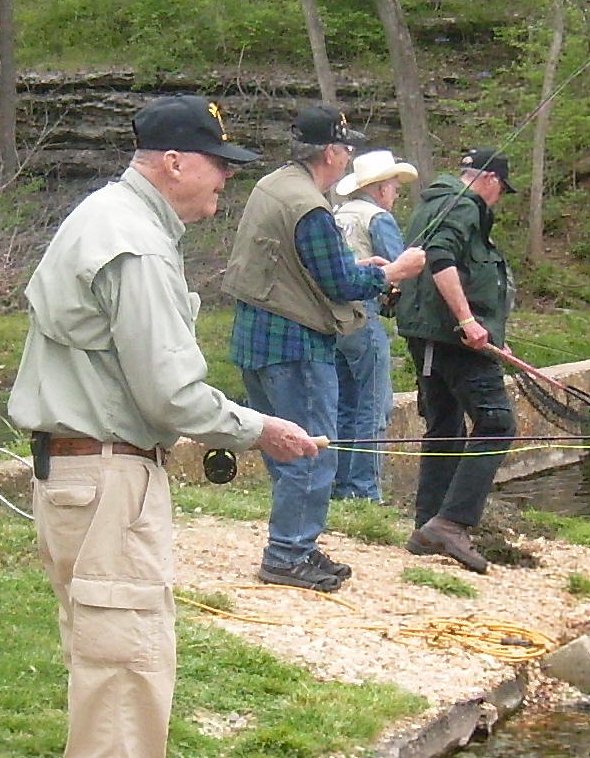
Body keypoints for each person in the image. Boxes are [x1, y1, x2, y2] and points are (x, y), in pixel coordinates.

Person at [8, 94, 323, 758]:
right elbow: (171, 395)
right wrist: (263, 429)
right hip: (110, 475)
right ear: (173, 161)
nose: (225, 181)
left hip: (85, 473)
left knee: (106, 656)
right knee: (126, 662)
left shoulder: (109, 218)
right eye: (218, 164)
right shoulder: (136, 244)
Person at [220, 106, 428, 591]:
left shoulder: (273, 184)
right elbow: (340, 282)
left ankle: (299, 543)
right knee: (311, 451)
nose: (349, 154)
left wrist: (364, 267)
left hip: (257, 341)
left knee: (285, 450)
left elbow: (305, 265)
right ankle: (287, 555)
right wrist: (393, 272)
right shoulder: (310, 208)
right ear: (331, 153)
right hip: (296, 346)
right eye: (346, 146)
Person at [392, 147, 517, 574]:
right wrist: (467, 320)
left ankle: (427, 527)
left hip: (430, 339)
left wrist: (489, 330)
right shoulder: (463, 207)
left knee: (444, 426)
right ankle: (453, 523)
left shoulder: (436, 203)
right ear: (492, 181)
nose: (497, 200)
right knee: (497, 424)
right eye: (501, 191)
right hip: (453, 340)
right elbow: (440, 260)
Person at [328, 149, 415, 502]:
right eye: (394, 186)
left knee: (341, 405)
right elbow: (399, 273)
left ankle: (338, 486)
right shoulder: (377, 218)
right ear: (380, 188)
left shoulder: (335, 215)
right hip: (363, 318)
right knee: (374, 406)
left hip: (330, 319)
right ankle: (365, 491)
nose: (395, 194)